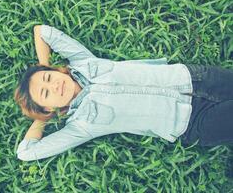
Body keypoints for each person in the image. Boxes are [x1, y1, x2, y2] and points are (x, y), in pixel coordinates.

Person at [15, 25, 233, 161]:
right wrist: (42, 117)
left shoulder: (83, 61)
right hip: (193, 122)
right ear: (48, 107)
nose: (54, 86)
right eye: (45, 94)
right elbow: (26, 153)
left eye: (48, 78)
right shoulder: (81, 126)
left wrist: (43, 67)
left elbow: (42, 31)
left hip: (194, 78)